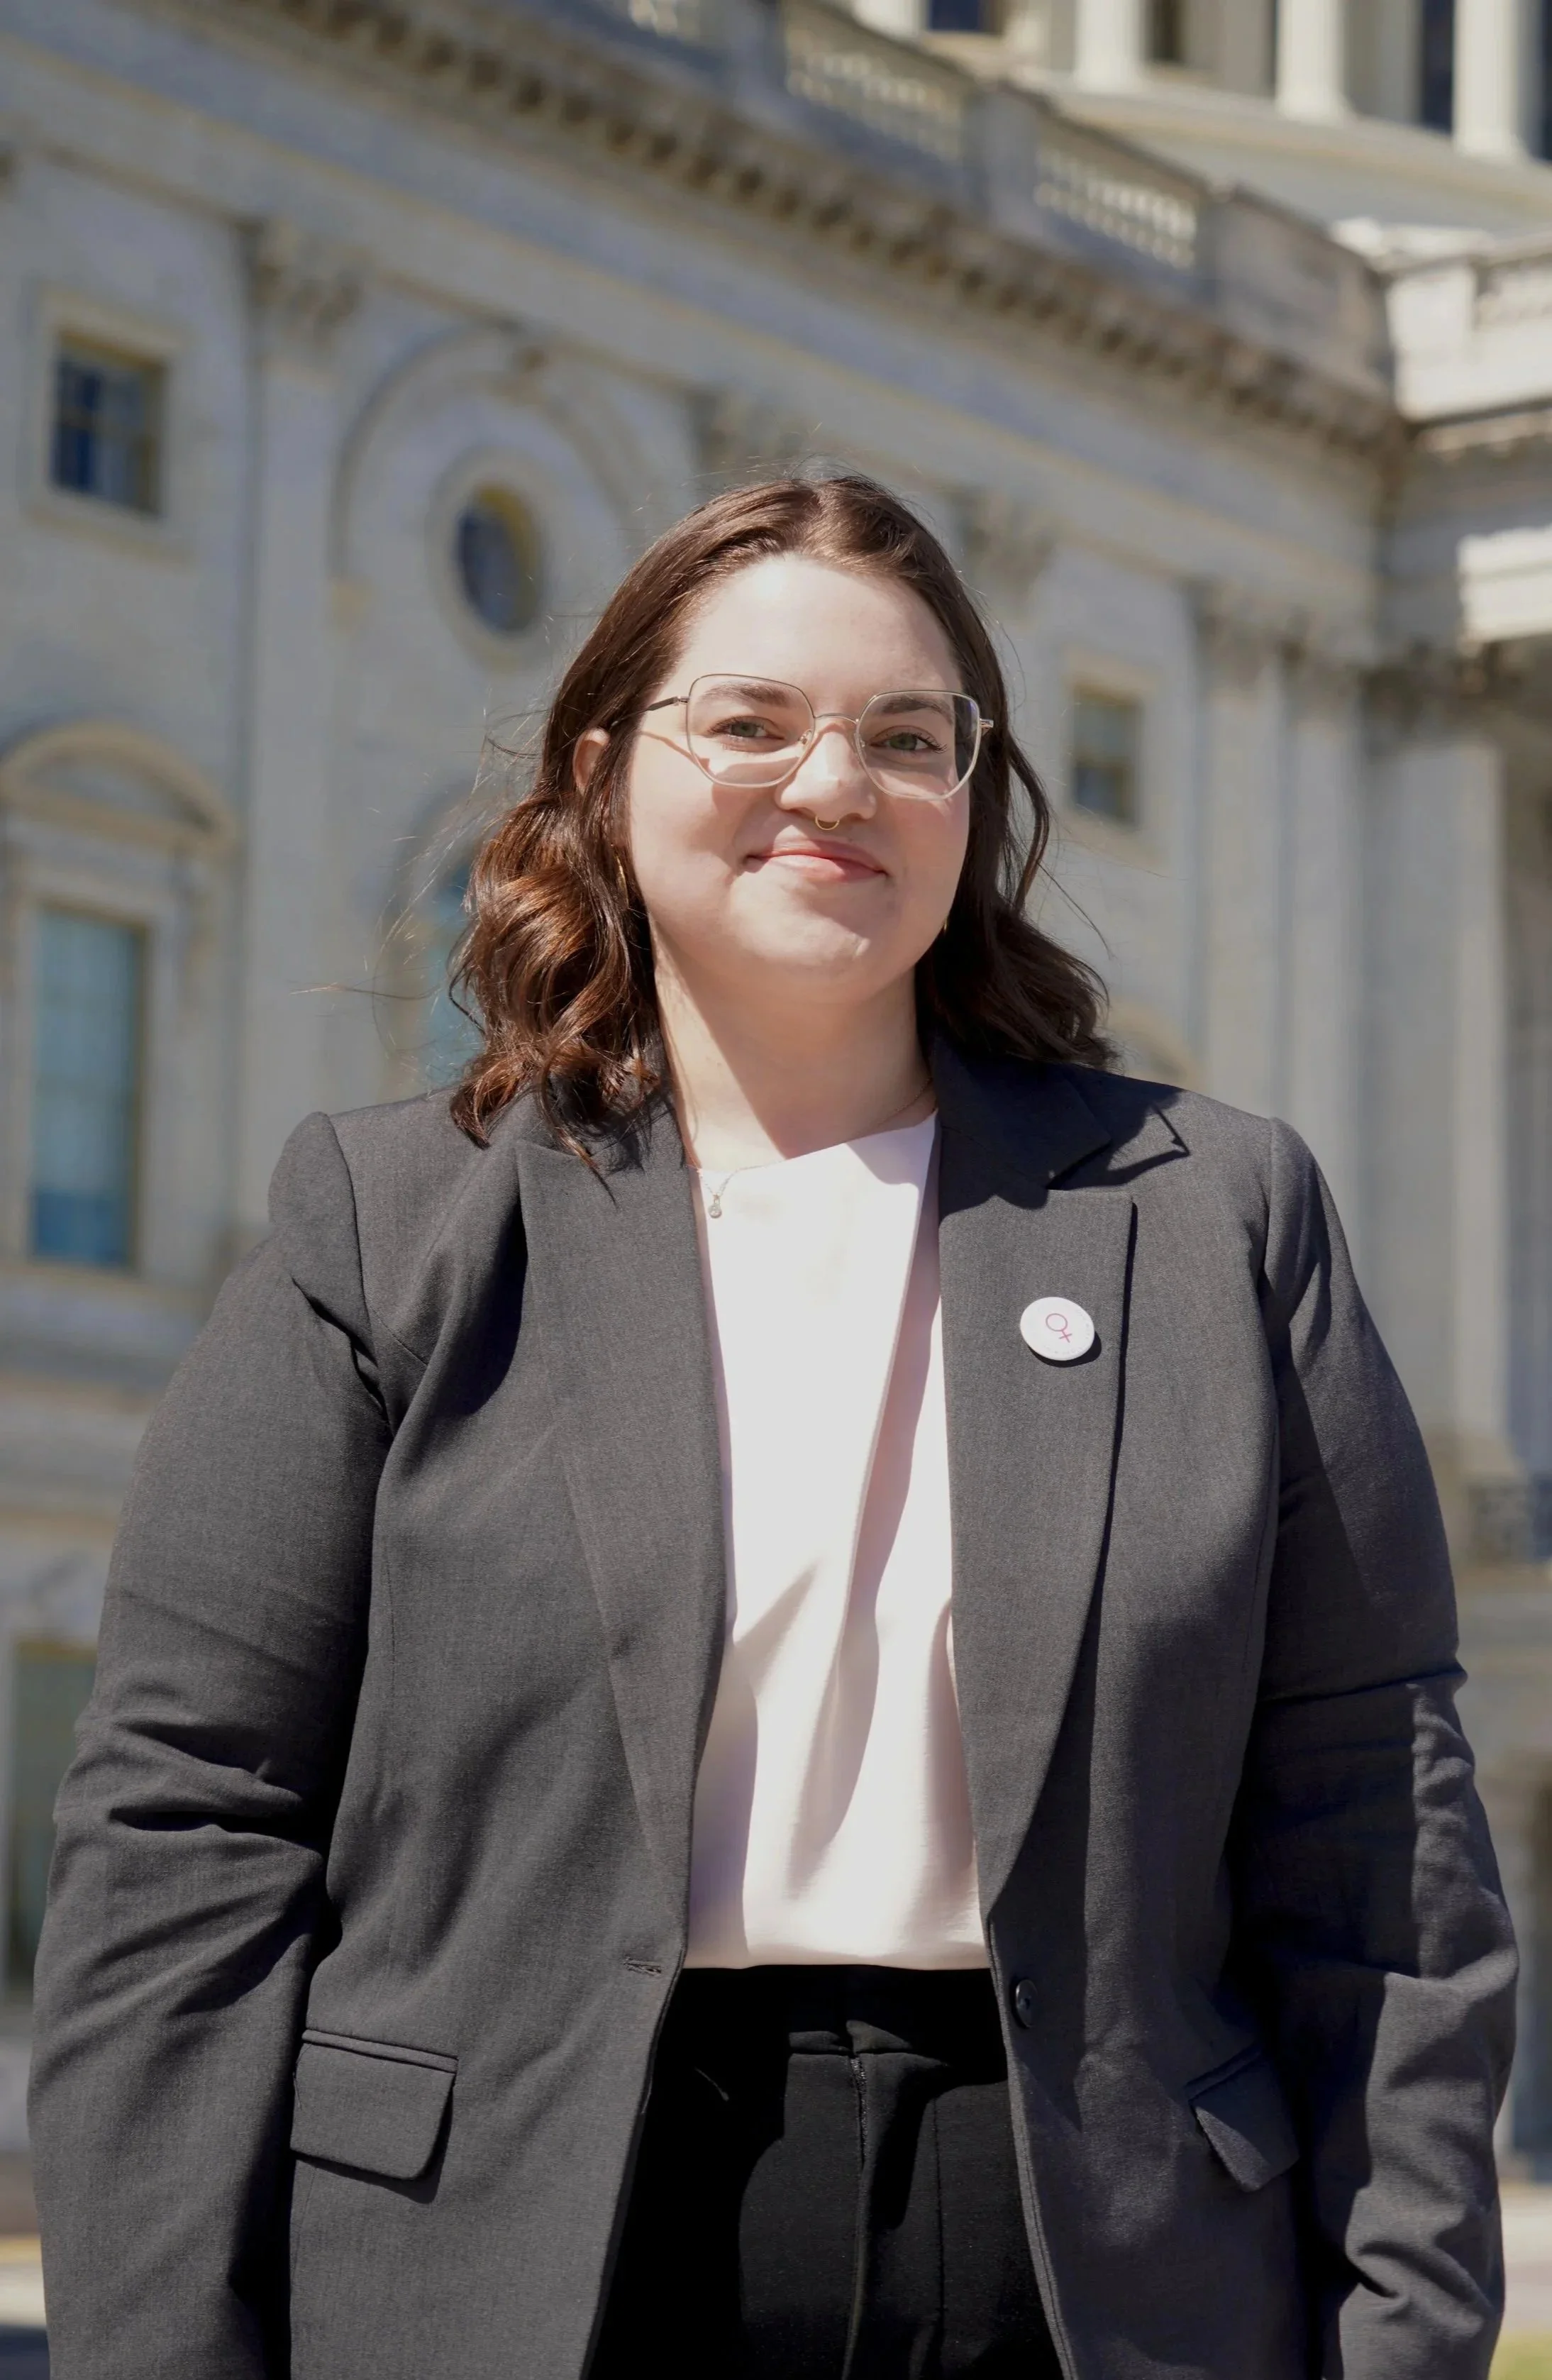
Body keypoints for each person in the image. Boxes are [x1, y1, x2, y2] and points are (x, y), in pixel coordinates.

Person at [31, 476, 1514, 2380]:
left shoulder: (1211, 1217)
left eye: (910, 739)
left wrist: (1403, 2338)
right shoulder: (388, 1224)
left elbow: (1373, 1830)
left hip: (1087, 2255)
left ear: (974, 797)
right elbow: (187, 1828)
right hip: (522, 2247)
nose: (835, 782)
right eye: (747, 723)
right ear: (602, 769)